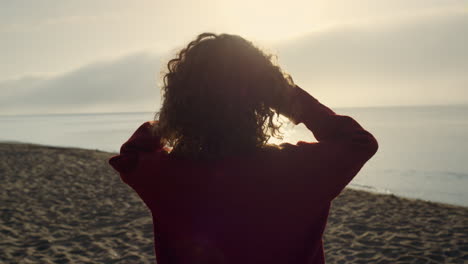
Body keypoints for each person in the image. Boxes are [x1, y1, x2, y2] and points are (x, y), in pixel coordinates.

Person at [109, 32, 378, 264]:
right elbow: (358, 142)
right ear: (262, 100)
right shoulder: (296, 170)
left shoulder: (167, 176)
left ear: (179, 102)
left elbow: (131, 155)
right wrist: (287, 96)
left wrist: (176, 116)